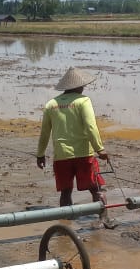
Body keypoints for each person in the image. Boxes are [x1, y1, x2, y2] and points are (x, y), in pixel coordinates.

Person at [36, 66, 111, 216]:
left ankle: (66, 223)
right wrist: (99, 149)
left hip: (62, 156)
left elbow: (44, 133)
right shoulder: (83, 101)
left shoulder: (51, 104)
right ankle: (103, 219)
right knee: (96, 189)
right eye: (82, 85)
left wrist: (40, 155)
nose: (83, 88)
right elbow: (90, 126)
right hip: (84, 154)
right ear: (78, 86)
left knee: (65, 192)